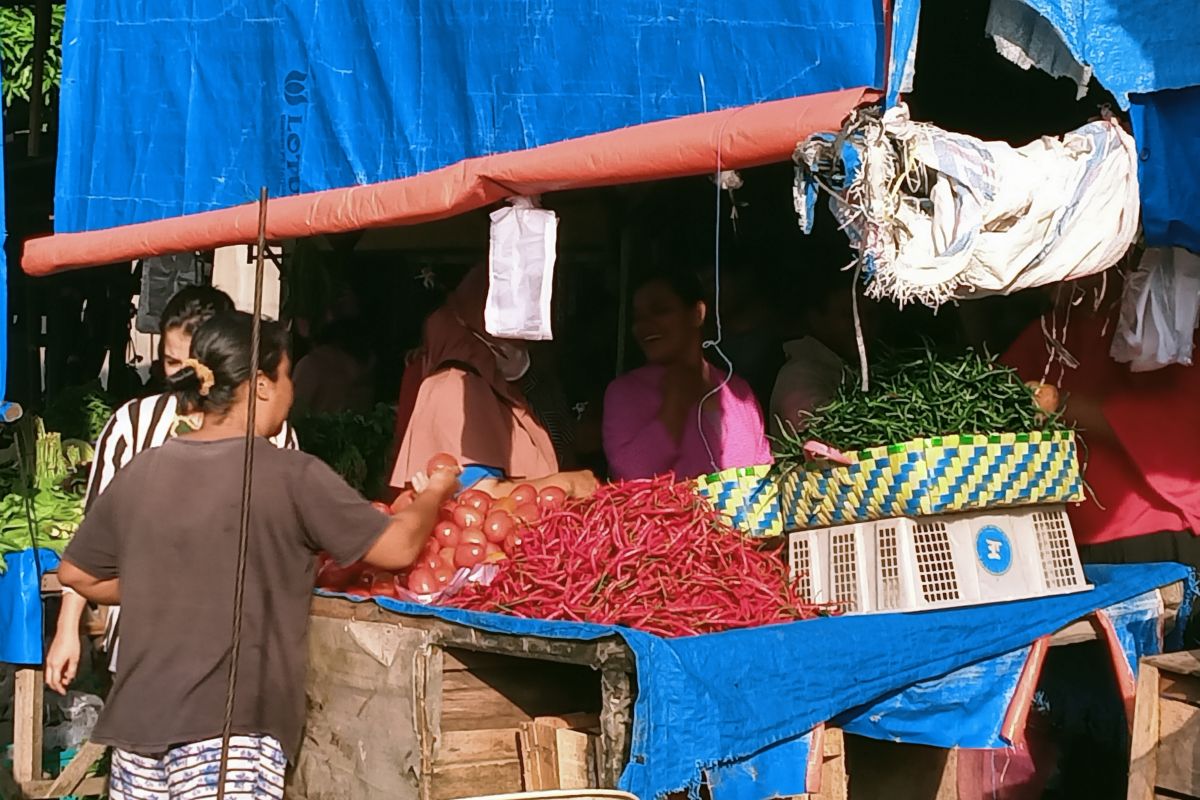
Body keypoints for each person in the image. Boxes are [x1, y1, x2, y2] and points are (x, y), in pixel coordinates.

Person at [58, 311, 459, 799]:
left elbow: (76, 572)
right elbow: (398, 548)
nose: (293, 392)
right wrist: (435, 491)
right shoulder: (290, 475)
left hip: (136, 734)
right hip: (229, 736)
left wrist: (159, 582)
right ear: (264, 384)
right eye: (289, 375)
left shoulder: (145, 470)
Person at [44, 286, 299, 695]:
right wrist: (67, 629)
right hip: (140, 645)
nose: (179, 378)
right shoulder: (132, 424)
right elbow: (93, 539)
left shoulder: (272, 430)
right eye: (169, 362)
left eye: (190, 366)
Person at [390, 266, 597, 497]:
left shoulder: (499, 389)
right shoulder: (455, 386)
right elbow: (475, 494)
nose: (524, 341)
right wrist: (567, 483)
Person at [603, 271, 772, 480]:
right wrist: (674, 408)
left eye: (660, 310)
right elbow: (629, 476)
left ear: (697, 314)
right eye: (638, 318)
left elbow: (764, 474)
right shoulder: (625, 393)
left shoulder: (738, 391)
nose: (643, 326)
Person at [769, 270, 876, 438]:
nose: (862, 326)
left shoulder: (845, 367)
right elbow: (822, 431)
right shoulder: (799, 375)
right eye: (848, 316)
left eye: (869, 316)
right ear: (815, 319)